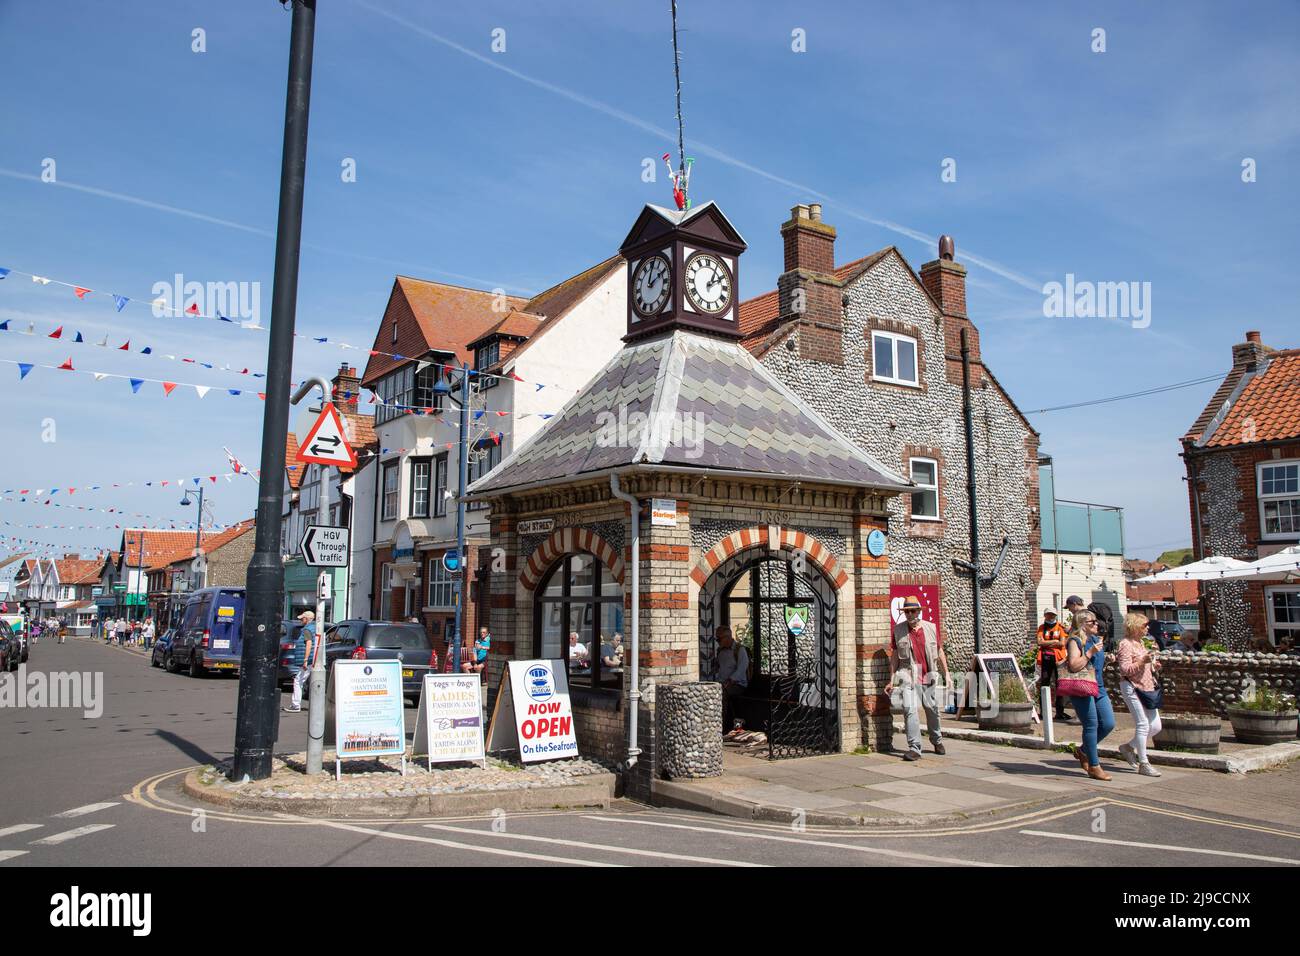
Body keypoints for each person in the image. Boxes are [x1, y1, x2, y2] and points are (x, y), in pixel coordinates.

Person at [886, 595, 949, 761]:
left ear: (919, 612)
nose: (909, 614)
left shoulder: (931, 628)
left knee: (932, 711)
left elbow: (940, 651)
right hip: (908, 675)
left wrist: (947, 674)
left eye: (913, 611)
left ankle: (937, 740)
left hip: (928, 676)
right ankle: (914, 748)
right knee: (909, 711)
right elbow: (894, 656)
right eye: (906, 612)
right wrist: (891, 678)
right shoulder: (898, 630)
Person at [1062, 609, 1116, 781]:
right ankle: (1094, 766)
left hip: (1098, 687)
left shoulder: (1095, 640)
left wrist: (1107, 658)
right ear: (1082, 624)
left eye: (1096, 622)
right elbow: (1074, 665)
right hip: (1082, 688)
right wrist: (1090, 653)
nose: (1096, 625)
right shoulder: (1075, 641)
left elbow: (1095, 663)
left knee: (1108, 723)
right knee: (1091, 725)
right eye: (1092, 622)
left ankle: (1084, 750)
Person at [1116, 612, 1163, 777]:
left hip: (1147, 686)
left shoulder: (1141, 643)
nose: (1147, 628)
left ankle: (1128, 747)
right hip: (1132, 686)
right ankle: (1144, 763)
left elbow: (1143, 665)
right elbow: (1124, 669)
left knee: (1156, 725)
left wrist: (1153, 666)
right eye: (1144, 625)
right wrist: (1143, 661)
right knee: (1143, 724)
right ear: (1134, 627)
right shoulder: (1125, 644)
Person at [1035, 608, 1070, 721]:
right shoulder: (1041, 627)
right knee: (1045, 683)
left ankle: (1060, 712)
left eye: (1053, 615)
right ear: (1045, 615)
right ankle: (1044, 712)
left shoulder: (1060, 627)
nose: (1051, 617)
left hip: (1059, 659)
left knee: (1060, 684)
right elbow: (1040, 642)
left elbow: (1062, 643)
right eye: (1048, 615)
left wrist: (1047, 643)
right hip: (1045, 658)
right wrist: (1054, 642)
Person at [715, 625, 749, 731]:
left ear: (727, 637)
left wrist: (730, 681)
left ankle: (724, 725)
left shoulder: (739, 650)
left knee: (722, 694)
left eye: (719, 639)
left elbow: (742, 668)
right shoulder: (720, 651)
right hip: (722, 683)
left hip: (738, 684)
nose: (717, 641)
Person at [285, 610, 315, 713]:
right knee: (301, 680)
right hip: (310, 660)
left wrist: (305, 660)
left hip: (308, 660)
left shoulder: (307, 630)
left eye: (302, 618)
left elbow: (309, 644)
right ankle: (296, 704)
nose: (301, 620)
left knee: (298, 681)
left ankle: (295, 705)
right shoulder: (310, 628)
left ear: (307, 619)